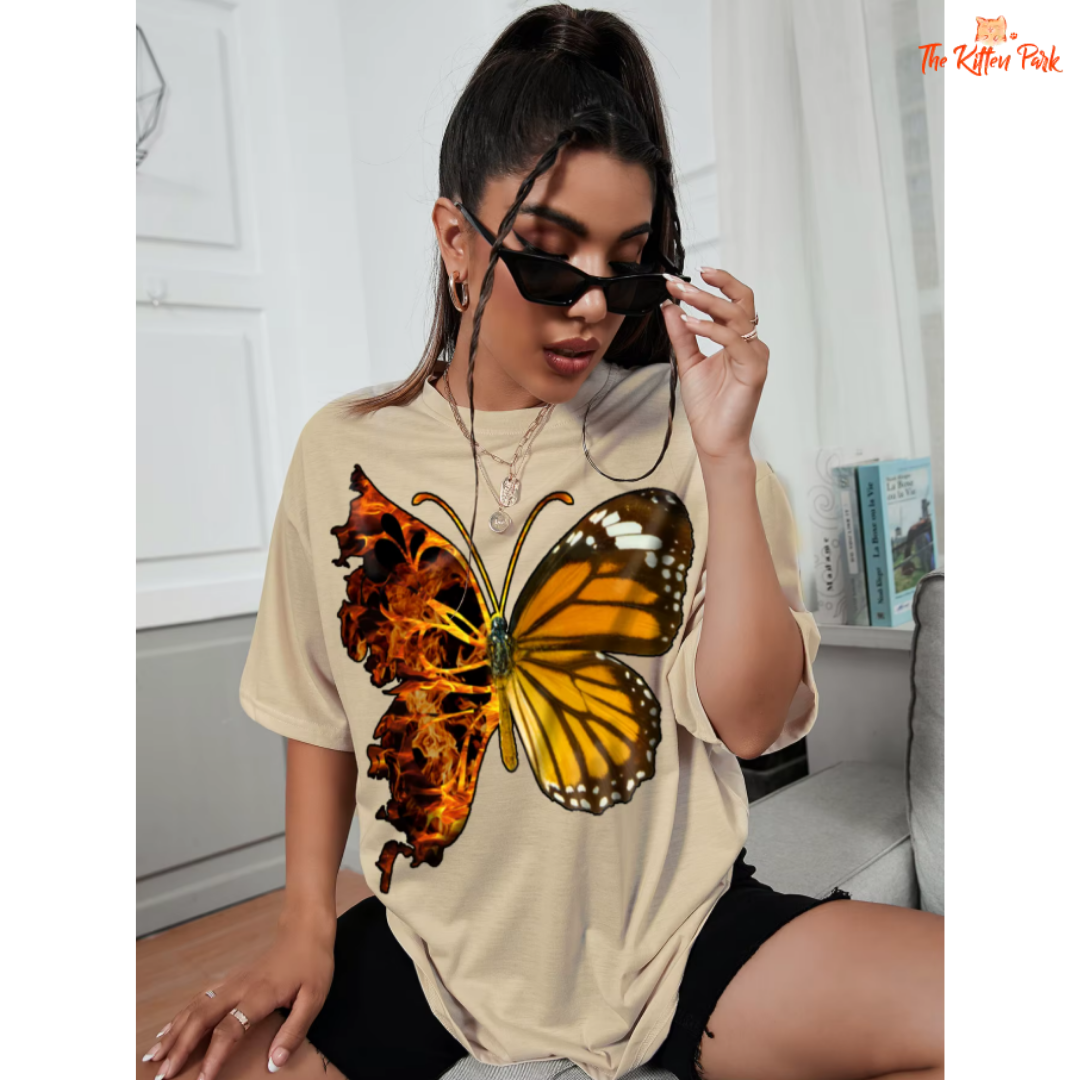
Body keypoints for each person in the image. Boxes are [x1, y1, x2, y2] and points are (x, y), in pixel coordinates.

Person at [140, 7, 943, 1080]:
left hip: (673, 943)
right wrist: (303, 923)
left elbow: (751, 723)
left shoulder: (690, 432)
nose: (592, 309)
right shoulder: (345, 452)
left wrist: (723, 456)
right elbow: (316, 710)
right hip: (430, 952)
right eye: (554, 262)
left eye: (626, 268)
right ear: (456, 242)